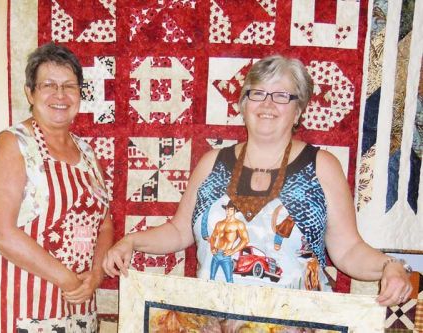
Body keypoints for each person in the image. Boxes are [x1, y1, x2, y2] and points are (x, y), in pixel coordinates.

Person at [103, 54, 412, 306]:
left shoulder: (322, 167)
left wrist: (390, 265)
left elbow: (347, 250)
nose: (267, 105)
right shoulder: (213, 163)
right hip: (216, 318)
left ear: (298, 110)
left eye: (281, 96)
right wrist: (131, 241)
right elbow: (179, 231)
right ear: (243, 104)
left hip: (297, 323)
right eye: (258, 93)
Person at [0, 43, 113, 332]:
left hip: (77, 302)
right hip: (22, 301)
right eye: (48, 85)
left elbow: (105, 223)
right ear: (30, 92)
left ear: (80, 94)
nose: (60, 95)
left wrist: (95, 274)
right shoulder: (13, 144)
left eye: (69, 86)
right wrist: (67, 279)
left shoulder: (86, 152)